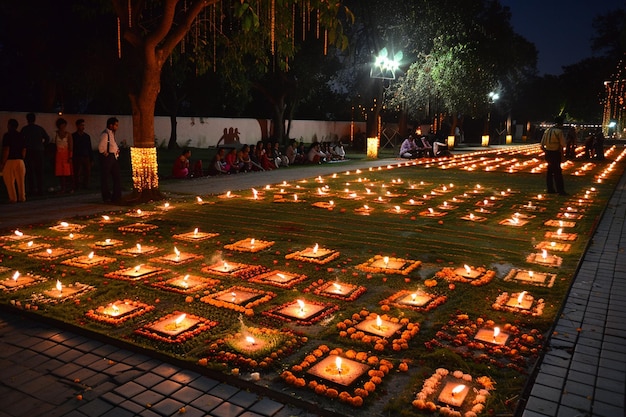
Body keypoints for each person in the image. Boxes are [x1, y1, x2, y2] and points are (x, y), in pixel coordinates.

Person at [21, 113, 49, 195]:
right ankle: (40, 189)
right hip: (39, 151)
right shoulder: (39, 128)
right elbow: (47, 138)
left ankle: (32, 189)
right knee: (39, 171)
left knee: (30, 171)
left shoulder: (25, 129)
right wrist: (42, 146)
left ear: (27, 119)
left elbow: (21, 139)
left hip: (29, 151)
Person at [1, 119, 27, 203]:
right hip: (20, 160)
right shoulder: (21, 135)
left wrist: (3, 162)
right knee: (21, 180)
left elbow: (6, 150)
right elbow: (24, 149)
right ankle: (22, 197)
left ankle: (13, 198)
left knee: (9, 181)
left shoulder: (7, 135)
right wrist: (22, 158)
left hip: (10, 160)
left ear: (9, 125)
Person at [540, 116, 567, 195]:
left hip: (548, 153)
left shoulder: (547, 131)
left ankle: (550, 188)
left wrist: (547, 151)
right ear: (561, 123)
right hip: (555, 153)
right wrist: (562, 156)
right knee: (557, 172)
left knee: (549, 172)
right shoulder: (559, 132)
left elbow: (542, 145)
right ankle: (560, 190)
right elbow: (562, 145)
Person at [98, 117, 122, 203]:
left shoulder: (111, 134)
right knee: (105, 178)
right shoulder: (105, 134)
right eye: (115, 125)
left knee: (117, 176)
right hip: (108, 157)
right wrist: (105, 153)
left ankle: (116, 195)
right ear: (110, 125)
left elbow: (112, 144)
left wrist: (116, 150)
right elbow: (101, 147)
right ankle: (106, 196)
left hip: (113, 157)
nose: (117, 127)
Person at [53, 118, 73, 193]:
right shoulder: (55, 134)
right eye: (62, 125)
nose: (63, 126)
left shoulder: (68, 134)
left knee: (68, 173)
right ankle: (63, 188)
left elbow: (71, 146)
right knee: (60, 173)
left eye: (64, 125)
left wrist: (70, 156)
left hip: (66, 154)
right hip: (58, 155)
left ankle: (70, 187)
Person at [72, 119, 93, 190]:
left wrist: (91, 158)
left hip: (85, 156)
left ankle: (85, 185)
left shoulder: (86, 136)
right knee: (77, 172)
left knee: (87, 172)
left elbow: (89, 147)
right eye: (81, 125)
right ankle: (78, 185)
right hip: (77, 156)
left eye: (83, 125)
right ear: (77, 126)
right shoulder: (74, 136)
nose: (82, 127)